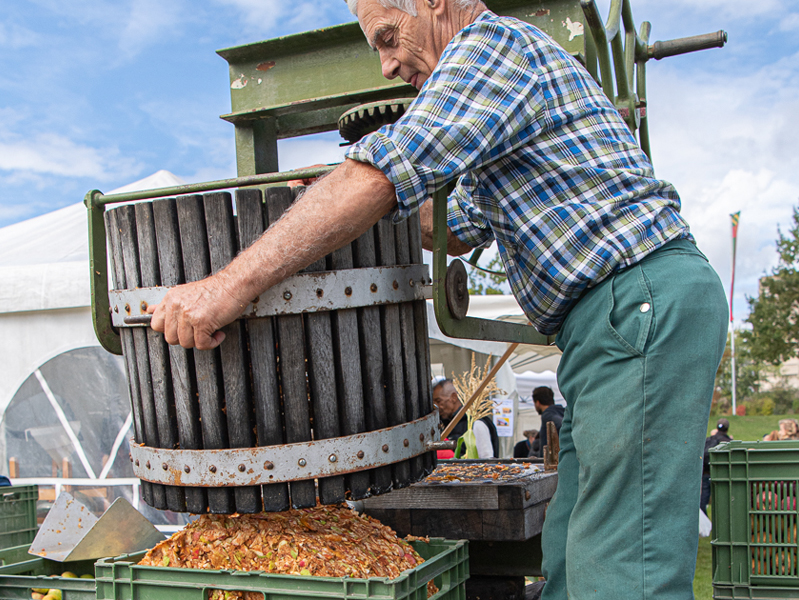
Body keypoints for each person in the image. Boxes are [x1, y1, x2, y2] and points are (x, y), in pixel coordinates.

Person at [149, 1, 729, 597]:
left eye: (388, 37)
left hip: (637, 306)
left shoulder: (493, 48)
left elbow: (385, 172)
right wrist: (326, 197)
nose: (386, 64)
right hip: (614, 323)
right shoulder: (498, 106)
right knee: (572, 558)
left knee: (623, 570)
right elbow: (451, 226)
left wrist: (227, 288)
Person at [432, 378, 499, 458]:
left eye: (438, 401)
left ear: (453, 397)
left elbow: (487, 459)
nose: (436, 406)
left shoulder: (476, 424)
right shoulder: (445, 424)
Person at [701, 418, 732, 514]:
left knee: (703, 501)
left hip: (706, 474)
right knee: (723, 502)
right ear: (727, 428)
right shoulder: (728, 442)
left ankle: (705, 524)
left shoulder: (708, 440)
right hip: (722, 476)